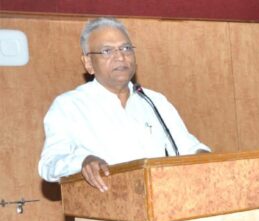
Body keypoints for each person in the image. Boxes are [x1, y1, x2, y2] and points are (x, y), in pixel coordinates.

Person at [38, 17, 210, 192]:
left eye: (126, 48)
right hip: (105, 209)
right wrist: (82, 162)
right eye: (107, 51)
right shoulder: (69, 106)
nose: (120, 56)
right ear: (88, 63)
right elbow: (49, 164)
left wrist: (207, 159)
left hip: (162, 199)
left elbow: (188, 147)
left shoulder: (154, 101)